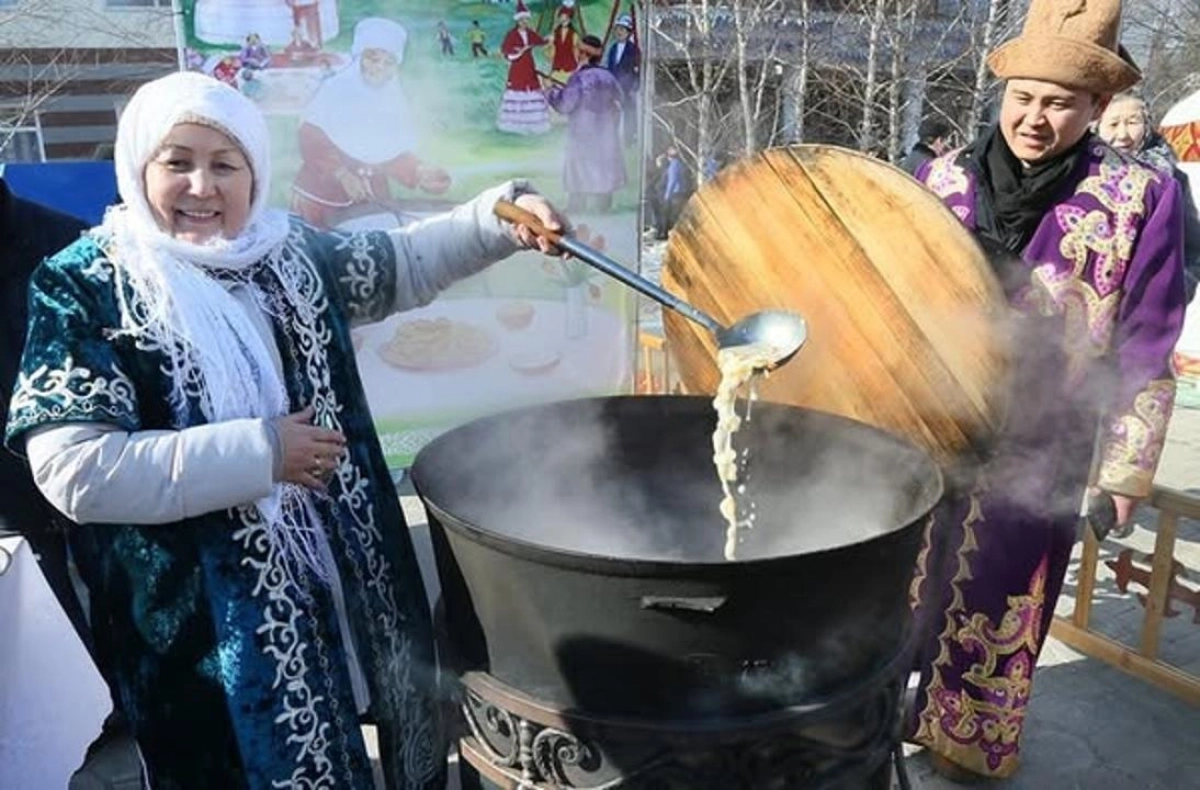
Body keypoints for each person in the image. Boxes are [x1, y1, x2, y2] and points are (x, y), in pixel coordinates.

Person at [4, 70, 567, 789]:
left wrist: (500, 216)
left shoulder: (285, 254)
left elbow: (403, 262)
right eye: (177, 162)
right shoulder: (87, 283)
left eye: (224, 165)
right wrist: (260, 453)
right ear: (138, 164)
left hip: (324, 591)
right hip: (198, 632)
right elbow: (76, 470)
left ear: (255, 174)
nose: (202, 187)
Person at [906, 0, 1187, 782]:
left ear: (1096, 108)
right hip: (931, 421)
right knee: (905, 581)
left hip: (1045, 438)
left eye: (1060, 103)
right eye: (1023, 97)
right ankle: (889, 709)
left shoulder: (1138, 197)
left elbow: (1149, 336)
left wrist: (1127, 466)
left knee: (1002, 593)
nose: (1036, 118)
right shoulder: (942, 178)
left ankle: (966, 740)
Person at [292, 17, 451, 229]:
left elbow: (390, 152)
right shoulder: (334, 91)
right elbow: (311, 139)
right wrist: (341, 174)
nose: (379, 68)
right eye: (373, 59)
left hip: (371, 197)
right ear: (359, 58)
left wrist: (419, 172)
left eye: (388, 62)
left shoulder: (392, 101)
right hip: (323, 199)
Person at [1097, 91, 1200, 300]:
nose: (1123, 134)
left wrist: (1177, 290)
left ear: (1147, 125)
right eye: (1113, 124)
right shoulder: (1081, 172)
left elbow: (1192, 245)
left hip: (1148, 303)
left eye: (1133, 122)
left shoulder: (1171, 178)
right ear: (1097, 126)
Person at [546, 35, 626, 214]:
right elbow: (620, 99)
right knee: (604, 169)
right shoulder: (608, 76)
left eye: (578, 49)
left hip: (582, 134)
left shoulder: (579, 78)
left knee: (579, 171)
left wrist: (551, 91)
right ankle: (603, 208)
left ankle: (576, 208)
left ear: (583, 54)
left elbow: (565, 105)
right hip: (605, 134)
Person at [497, 0, 550, 135]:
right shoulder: (512, 34)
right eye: (522, 20)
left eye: (526, 19)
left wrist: (548, 39)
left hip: (528, 65)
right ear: (517, 21)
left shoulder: (530, 33)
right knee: (517, 89)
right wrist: (516, 52)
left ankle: (533, 124)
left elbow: (540, 41)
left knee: (531, 89)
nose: (524, 22)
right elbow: (505, 49)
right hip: (517, 67)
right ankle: (515, 125)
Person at [604, 14, 640, 147]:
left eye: (622, 29)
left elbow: (637, 70)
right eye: (618, 29)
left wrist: (634, 88)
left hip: (627, 88)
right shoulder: (613, 48)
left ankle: (629, 139)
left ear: (628, 32)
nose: (619, 32)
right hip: (614, 87)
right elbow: (610, 67)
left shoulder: (633, 49)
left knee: (629, 114)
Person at [655, 145, 691, 239]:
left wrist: (667, 196)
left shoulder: (674, 165)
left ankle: (665, 234)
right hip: (679, 193)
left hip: (676, 194)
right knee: (674, 215)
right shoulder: (679, 164)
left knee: (671, 215)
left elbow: (672, 181)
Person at [547, 1, 580, 84]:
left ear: (569, 20)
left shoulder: (574, 35)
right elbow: (550, 52)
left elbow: (576, 51)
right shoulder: (555, 33)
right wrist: (550, 43)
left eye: (566, 18)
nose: (564, 20)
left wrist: (577, 67)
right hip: (557, 68)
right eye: (562, 18)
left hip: (569, 68)